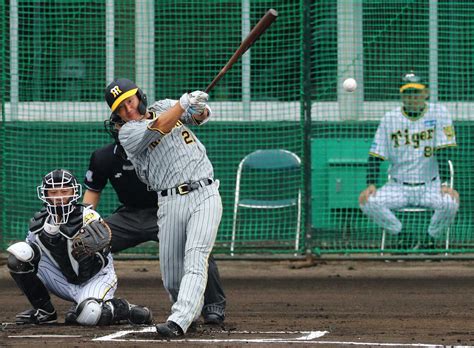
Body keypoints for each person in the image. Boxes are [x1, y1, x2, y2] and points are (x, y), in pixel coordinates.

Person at [103, 78, 223, 338]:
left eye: (130, 101)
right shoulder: (128, 133)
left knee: (195, 256)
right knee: (172, 276)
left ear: (140, 96)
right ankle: (186, 309)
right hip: (169, 201)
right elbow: (159, 126)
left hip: (204, 192)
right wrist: (182, 104)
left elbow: (199, 117)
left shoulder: (165, 105)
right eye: (120, 108)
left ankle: (179, 321)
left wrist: (197, 106)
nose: (128, 110)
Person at [82, 128, 226, 325]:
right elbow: (93, 191)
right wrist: (85, 222)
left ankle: (213, 306)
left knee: (196, 248)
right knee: (87, 244)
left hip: (166, 209)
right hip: (129, 215)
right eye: (120, 120)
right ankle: (86, 302)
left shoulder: (162, 152)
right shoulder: (103, 157)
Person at [6, 169, 153, 326]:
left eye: (64, 191)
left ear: (74, 192)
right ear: (45, 194)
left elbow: (101, 261)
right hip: (62, 277)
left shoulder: (89, 217)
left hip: (95, 278)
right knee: (20, 256)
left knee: (90, 314)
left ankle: (125, 309)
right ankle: (44, 311)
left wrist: (87, 252)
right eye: (53, 192)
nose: (59, 197)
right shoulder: (39, 223)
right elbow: (31, 258)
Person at [359, 71, 460, 247]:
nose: (412, 97)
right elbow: (376, 155)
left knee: (451, 203)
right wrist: (371, 184)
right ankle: (402, 235)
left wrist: (445, 184)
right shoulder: (390, 118)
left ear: (425, 93)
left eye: (416, 92)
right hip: (398, 187)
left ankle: (431, 238)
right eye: (407, 93)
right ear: (401, 95)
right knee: (367, 202)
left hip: (431, 185)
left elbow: (444, 151)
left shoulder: (439, 113)